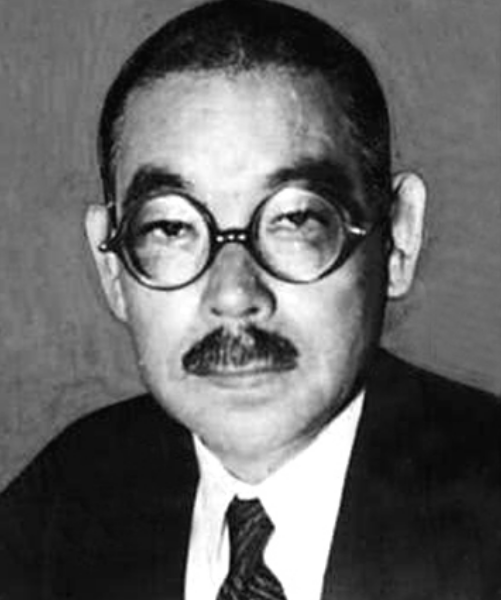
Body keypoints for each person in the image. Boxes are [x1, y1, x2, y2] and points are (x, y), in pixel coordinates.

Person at [0, 0, 500, 598]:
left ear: (398, 238)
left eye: (295, 219)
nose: (235, 295)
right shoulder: (57, 513)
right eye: (170, 228)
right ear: (112, 268)